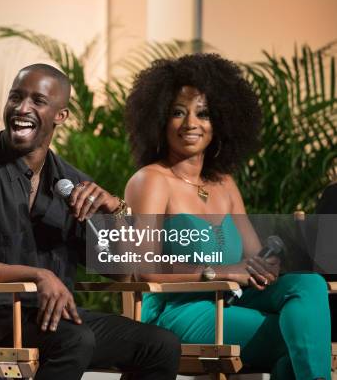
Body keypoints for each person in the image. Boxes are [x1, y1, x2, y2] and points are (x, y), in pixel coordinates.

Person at [0, 63, 181, 380]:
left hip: (51, 317)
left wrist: (114, 212)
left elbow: (120, 271)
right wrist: (38, 275)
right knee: (75, 340)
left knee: (160, 346)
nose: (22, 109)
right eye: (15, 97)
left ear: (60, 115)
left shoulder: (71, 182)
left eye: (37, 101)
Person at [124, 53, 331, 379]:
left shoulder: (225, 184)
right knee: (301, 334)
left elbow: (251, 258)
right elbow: (142, 275)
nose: (190, 123)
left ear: (220, 122)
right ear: (159, 119)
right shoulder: (150, 181)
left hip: (233, 302)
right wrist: (218, 273)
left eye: (203, 114)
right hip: (179, 310)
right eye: (178, 113)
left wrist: (267, 264)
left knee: (308, 285)